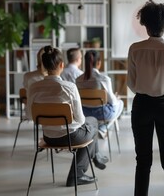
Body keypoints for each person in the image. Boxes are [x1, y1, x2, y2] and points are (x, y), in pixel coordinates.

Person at [27, 45, 108, 187]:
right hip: (70, 137)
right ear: (61, 65)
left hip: (48, 136)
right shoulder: (69, 87)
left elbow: (30, 115)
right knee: (92, 124)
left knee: (91, 125)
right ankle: (78, 173)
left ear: (44, 65)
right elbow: (80, 119)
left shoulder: (33, 87)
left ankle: (95, 156)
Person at [127, 0, 164, 196]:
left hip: (141, 105)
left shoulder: (135, 49)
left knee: (142, 161)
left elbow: (131, 83)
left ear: (145, 24)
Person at [76, 50, 124, 137]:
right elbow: (112, 101)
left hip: (84, 113)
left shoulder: (78, 79)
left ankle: (98, 127)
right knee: (120, 103)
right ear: (99, 63)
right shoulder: (103, 79)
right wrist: (116, 98)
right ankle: (103, 128)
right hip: (102, 113)